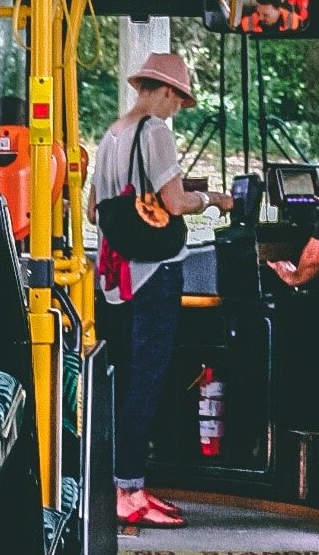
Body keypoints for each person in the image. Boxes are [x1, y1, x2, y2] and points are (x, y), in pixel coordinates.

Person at [88, 51, 234, 529]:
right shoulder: (155, 132)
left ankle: (119, 485)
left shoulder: (111, 134)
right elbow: (173, 202)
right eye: (179, 98)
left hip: (116, 278)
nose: (178, 108)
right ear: (166, 91)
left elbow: (95, 211)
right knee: (147, 380)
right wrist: (211, 198)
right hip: (154, 274)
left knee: (125, 379)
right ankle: (129, 491)